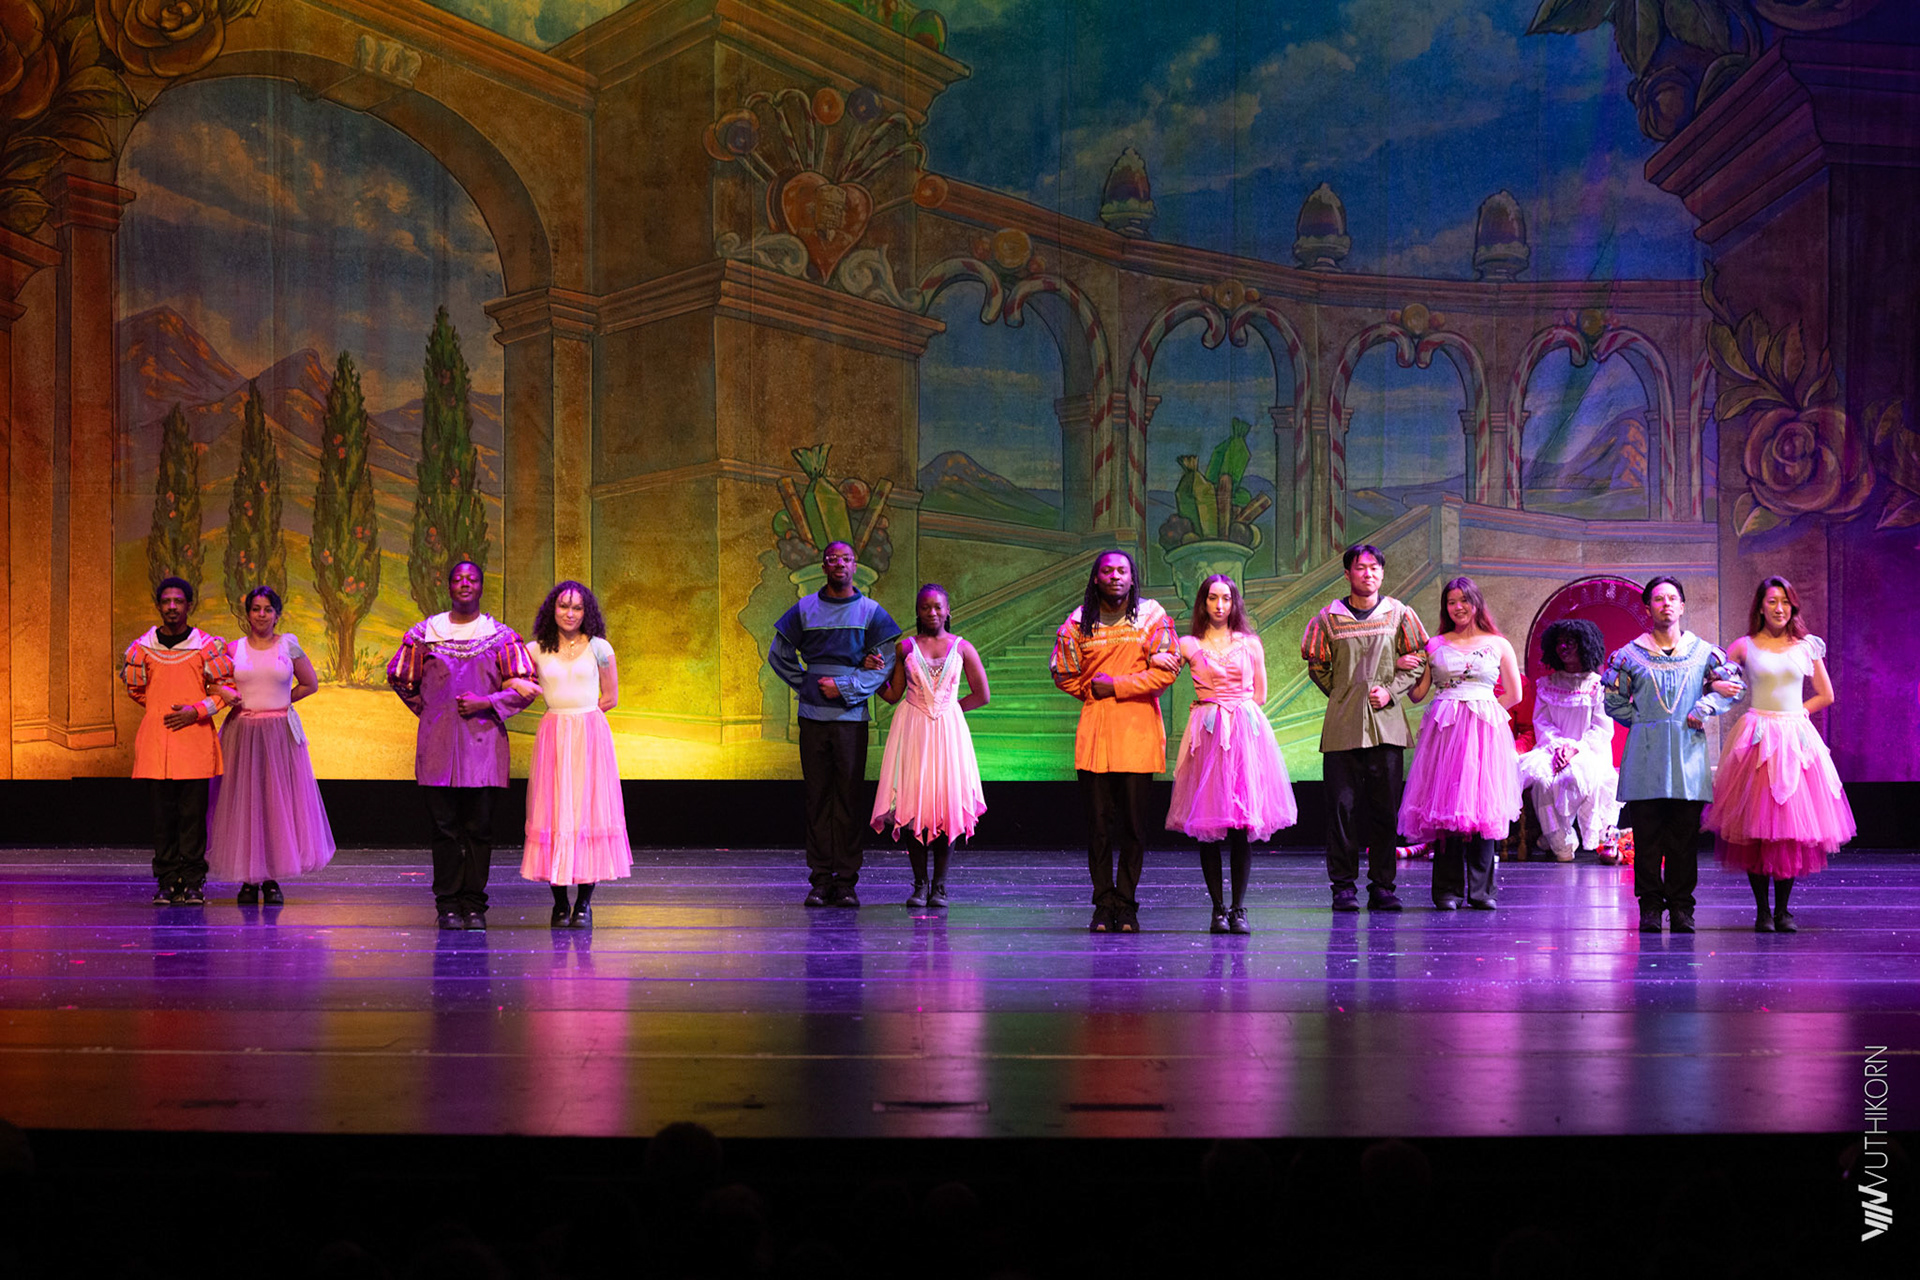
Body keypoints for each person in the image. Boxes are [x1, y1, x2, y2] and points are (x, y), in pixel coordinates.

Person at [387, 560, 535, 931]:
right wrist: (432, 711)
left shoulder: (500, 637)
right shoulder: (425, 634)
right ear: (449, 586)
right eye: (458, 578)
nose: (465, 583)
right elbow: (401, 677)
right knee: (444, 829)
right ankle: (447, 904)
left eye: (472, 579)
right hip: (438, 747)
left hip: (483, 748)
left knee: (479, 829)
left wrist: (488, 703)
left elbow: (526, 687)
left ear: (481, 587)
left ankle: (474, 904)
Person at [1706, 576, 1855, 933]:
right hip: (1757, 738)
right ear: (1760, 606)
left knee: (1789, 827)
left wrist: (1799, 712)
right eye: (1772, 601)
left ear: (1793, 607)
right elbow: (1720, 681)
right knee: (1755, 828)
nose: (1779, 608)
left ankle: (1784, 910)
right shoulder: (1743, 646)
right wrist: (1715, 685)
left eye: (1785, 602)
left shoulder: (1806, 646)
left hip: (1794, 739)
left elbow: (1826, 694)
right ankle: (1762, 911)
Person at [1602, 575, 1744, 934]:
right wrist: (1642, 720)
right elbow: (1612, 699)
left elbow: (1733, 687)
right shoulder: (1630, 654)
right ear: (1648, 607)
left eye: (1672, 598)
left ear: (1681, 606)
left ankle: (1682, 908)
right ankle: (1650, 906)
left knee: (1683, 839)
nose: (1666, 604)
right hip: (1646, 757)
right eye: (1658, 599)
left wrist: (1704, 707)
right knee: (1647, 838)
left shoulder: (1703, 652)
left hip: (1687, 756)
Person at [1155, 574, 1296, 934]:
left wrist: (1233, 708)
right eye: (1213, 598)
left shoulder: (1249, 643)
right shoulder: (1189, 644)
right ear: (1203, 603)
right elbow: (1161, 674)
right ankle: (1218, 908)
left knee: (1241, 824)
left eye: (1226, 598)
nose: (1220, 605)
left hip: (1244, 732)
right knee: (1208, 821)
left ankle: (1239, 908)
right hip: (1208, 734)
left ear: (1234, 603)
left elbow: (1260, 694)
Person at [768, 541, 902, 908]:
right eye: (832, 559)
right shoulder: (805, 608)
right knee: (817, 799)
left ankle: (846, 881)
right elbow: (779, 654)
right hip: (813, 719)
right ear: (824, 566)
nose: (839, 564)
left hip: (850, 721)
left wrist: (846, 686)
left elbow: (887, 662)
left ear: (855, 565)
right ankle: (820, 880)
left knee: (848, 799)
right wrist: (809, 685)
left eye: (845, 559)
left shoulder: (870, 611)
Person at [1051, 549, 1178, 933]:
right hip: (1097, 736)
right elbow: (1063, 672)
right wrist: (1095, 693)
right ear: (1096, 578)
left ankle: (1127, 903)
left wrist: (1116, 686)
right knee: (1099, 828)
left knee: (1134, 828)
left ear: (1132, 577)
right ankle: (1103, 903)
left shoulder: (1152, 617)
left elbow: (1167, 672)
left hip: (1138, 735)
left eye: (1122, 570)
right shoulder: (1078, 623)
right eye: (1107, 571)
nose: (1115, 576)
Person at [1300, 544, 1429, 912]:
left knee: (1383, 810)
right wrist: (1346, 694)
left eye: (1374, 567)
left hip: (1385, 726)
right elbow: (1318, 666)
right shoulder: (1329, 618)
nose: (1368, 573)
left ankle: (1383, 886)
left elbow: (1419, 658)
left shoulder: (1399, 614)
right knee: (1341, 810)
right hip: (1343, 728)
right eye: (1360, 567)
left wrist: (1391, 691)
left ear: (1382, 574)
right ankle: (1343, 887)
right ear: (1347, 574)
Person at [510, 581, 631, 929]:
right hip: (554, 735)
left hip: (589, 736)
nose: (570, 613)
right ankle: (560, 903)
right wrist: (517, 685)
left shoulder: (600, 648)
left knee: (587, 813)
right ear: (553, 609)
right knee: (554, 812)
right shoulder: (535, 649)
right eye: (564, 606)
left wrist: (582, 720)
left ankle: (584, 904)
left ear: (586, 612)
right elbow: (509, 679)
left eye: (577, 607)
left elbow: (610, 697)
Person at [1398, 577, 1523, 910]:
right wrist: (1403, 668)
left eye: (1464, 600)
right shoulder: (1435, 644)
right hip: (1445, 732)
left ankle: (1482, 892)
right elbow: (1418, 694)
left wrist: (1483, 712)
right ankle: (1447, 891)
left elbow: (1514, 694)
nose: (1458, 607)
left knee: (1482, 808)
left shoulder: (1498, 644)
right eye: (1451, 602)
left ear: (1476, 603)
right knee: (1446, 809)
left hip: (1483, 733)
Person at [206, 586, 335, 903]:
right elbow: (210, 681)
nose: (261, 614)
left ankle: (271, 878)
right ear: (247, 614)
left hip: (279, 735)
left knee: (276, 804)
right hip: (243, 733)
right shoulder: (234, 649)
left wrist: (281, 702)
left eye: (267, 609)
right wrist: (223, 692)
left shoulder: (288, 646)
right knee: (246, 803)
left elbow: (310, 683)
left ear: (277, 614)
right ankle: (249, 879)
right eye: (256, 609)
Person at [870, 583, 990, 908]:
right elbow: (893, 695)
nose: (932, 612)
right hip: (913, 730)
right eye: (925, 607)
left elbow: (982, 694)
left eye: (938, 607)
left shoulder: (962, 647)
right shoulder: (905, 648)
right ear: (918, 611)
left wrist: (949, 711)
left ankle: (940, 886)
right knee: (914, 802)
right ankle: (920, 884)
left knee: (946, 804)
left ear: (948, 611)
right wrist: (875, 677)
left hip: (948, 733)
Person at [123, 577, 234, 906]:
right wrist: (160, 708)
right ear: (159, 605)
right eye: (166, 601)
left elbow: (226, 690)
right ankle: (168, 881)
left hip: (194, 742)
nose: (172, 607)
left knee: (192, 818)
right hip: (157, 743)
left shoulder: (206, 647)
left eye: (179, 601)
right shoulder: (143, 648)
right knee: (163, 819)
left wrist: (195, 711)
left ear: (189, 605)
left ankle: (194, 881)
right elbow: (137, 689)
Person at [1516, 618, 1622, 863]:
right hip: (1551, 750)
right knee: (1542, 780)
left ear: (1584, 645)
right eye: (1560, 642)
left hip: (1589, 752)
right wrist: (1558, 747)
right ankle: (1559, 839)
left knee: (1577, 778)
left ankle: (1591, 837)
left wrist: (1574, 749)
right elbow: (1542, 723)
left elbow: (1601, 728)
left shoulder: (1599, 686)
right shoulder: (1547, 685)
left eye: (1570, 642)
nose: (1563, 647)